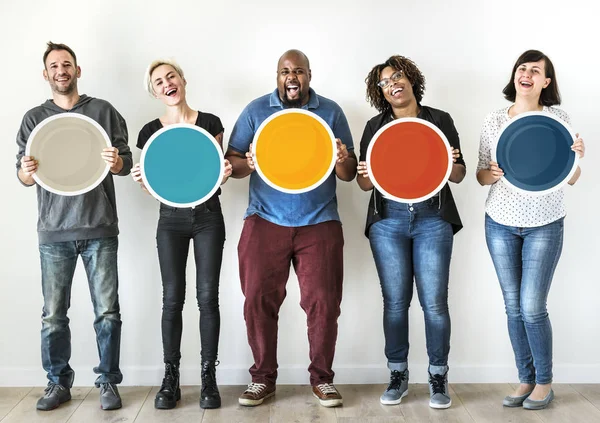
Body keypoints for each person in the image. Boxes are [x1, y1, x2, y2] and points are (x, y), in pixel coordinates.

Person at [225, 49, 356, 408]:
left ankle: (323, 380)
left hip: (320, 221)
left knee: (325, 303)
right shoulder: (256, 111)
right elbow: (232, 162)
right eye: (285, 71)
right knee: (257, 301)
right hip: (265, 219)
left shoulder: (330, 112)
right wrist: (247, 164)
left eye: (298, 71)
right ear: (277, 76)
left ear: (309, 75)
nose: (292, 77)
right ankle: (262, 379)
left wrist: (344, 159)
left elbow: (347, 173)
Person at [15, 42, 132, 411]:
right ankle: (57, 383)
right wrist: (26, 172)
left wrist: (117, 163)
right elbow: (24, 175)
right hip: (54, 231)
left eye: (67, 64)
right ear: (45, 74)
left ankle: (108, 383)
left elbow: (126, 162)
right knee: (53, 315)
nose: (61, 70)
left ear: (78, 70)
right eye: (54, 65)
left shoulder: (103, 111)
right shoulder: (35, 119)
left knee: (107, 312)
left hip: (99, 226)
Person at [476, 49, 585, 410]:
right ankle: (524, 378)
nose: (527, 73)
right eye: (522, 68)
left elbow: (570, 178)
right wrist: (489, 173)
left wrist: (576, 157)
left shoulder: (558, 118)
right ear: (515, 77)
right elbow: (480, 175)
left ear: (546, 82)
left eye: (535, 70)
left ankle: (544, 381)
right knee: (512, 306)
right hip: (500, 222)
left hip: (545, 223)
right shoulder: (494, 120)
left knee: (532, 306)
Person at [356, 55, 466, 409]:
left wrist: (451, 162)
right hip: (388, 220)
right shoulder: (375, 126)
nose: (393, 84)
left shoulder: (439, 120)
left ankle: (438, 376)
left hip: (433, 218)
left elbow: (459, 174)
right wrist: (365, 174)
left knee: (434, 303)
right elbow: (363, 182)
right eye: (385, 82)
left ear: (411, 79)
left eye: (398, 76)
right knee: (395, 302)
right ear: (381, 92)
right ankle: (398, 374)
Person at [131, 59, 232, 409]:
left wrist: (226, 173)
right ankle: (170, 378)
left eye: (170, 76)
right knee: (172, 298)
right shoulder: (148, 132)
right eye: (158, 81)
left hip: (207, 217)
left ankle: (208, 378)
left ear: (183, 80)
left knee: (208, 298)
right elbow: (158, 187)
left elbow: (215, 173)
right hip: (170, 220)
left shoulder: (210, 123)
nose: (166, 83)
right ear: (155, 92)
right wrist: (144, 183)